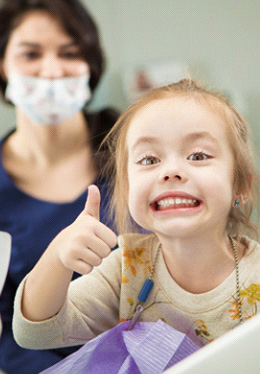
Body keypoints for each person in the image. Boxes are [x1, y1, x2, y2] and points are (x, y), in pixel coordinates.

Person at [13, 79, 260, 365]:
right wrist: (57, 256)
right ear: (128, 190)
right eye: (149, 159)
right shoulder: (126, 268)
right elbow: (34, 333)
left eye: (198, 155)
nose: (171, 171)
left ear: (240, 185)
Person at [0, 0, 119, 373]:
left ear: (90, 65)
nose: (51, 71)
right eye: (30, 54)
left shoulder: (137, 154)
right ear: (3, 64)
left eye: (69, 53)